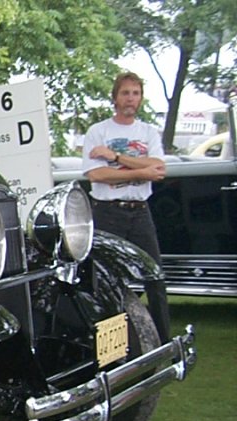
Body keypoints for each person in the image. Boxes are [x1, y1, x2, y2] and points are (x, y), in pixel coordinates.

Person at [81, 72, 170, 343]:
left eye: (135, 93)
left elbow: (159, 168)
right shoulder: (98, 132)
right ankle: (109, 346)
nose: (130, 98)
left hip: (140, 211)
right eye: (125, 93)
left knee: (154, 278)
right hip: (108, 213)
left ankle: (164, 343)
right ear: (115, 98)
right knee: (106, 280)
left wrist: (115, 157)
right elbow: (96, 175)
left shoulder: (148, 132)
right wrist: (141, 170)